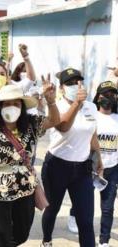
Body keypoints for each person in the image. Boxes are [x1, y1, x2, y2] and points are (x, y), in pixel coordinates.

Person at [0, 80, 59, 247]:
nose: (12, 107)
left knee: (22, 234)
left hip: (26, 189)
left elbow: (54, 120)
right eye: (7, 104)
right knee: (0, 236)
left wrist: (51, 102)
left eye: (16, 104)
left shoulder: (32, 124)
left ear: (22, 106)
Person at [41, 68, 103, 247]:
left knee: (85, 220)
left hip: (82, 170)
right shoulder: (56, 106)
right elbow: (64, 127)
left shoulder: (91, 106)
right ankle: (46, 240)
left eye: (77, 82)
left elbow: (92, 134)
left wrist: (99, 158)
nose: (75, 86)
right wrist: (77, 103)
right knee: (52, 210)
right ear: (61, 88)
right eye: (69, 83)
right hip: (56, 166)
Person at [92, 81, 118, 247]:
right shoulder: (91, 116)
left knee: (108, 208)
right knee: (84, 206)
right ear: (98, 97)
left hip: (112, 169)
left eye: (112, 94)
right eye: (104, 94)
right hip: (91, 169)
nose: (108, 97)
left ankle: (104, 241)